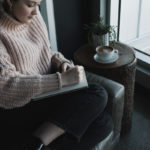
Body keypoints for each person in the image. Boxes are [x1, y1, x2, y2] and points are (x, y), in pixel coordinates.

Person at [0, 0, 113, 150]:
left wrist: (61, 62)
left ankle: (37, 144)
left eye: (38, 5)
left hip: (47, 93)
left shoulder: (34, 17)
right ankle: (37, 141)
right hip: (22, 103)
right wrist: (60, 80)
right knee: (98, 93)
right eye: (30, 5)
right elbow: (6, 85)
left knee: (105, 123)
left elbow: (45, 52)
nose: (36, 11)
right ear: (10, 1)